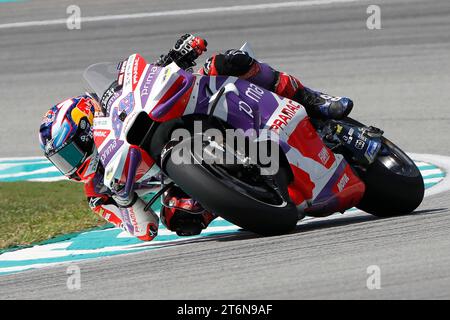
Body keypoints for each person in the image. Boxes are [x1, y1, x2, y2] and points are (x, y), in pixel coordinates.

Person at [39, 34, 353, 241]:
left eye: (68, 153)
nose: (70, 166)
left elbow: (144, 78)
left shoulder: (114, 96)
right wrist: (122, 198)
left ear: (84, 126)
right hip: (179, 179)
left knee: (226, 62)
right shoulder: (98, 191)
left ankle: (311, 98)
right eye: (60, 161)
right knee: (179, 218)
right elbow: (144, 229)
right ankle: (246, 191)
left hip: (184, 112)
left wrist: (177, 55)